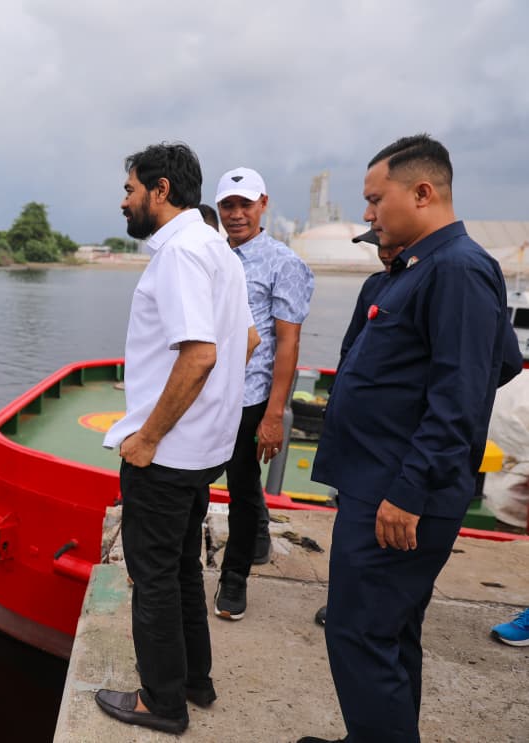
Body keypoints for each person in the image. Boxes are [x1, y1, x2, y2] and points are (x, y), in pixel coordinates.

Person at [298, 134, 523, 743]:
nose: (368, 214)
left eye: (376, 199)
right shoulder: (420, 269)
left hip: (398, 494)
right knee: (388, 634)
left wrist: (409, 488)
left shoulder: (457, 269)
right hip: (380, 482)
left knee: (360, 633)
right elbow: (495, 361)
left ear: (422, 192)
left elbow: (461, 397)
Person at [94, 142, 257, 734]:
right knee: (184, 568)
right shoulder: (218, 249)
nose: (124, 202)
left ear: (161, 190)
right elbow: (248, 342)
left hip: (167, 455)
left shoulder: (182, 254)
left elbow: (200, 355)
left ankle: (161, 703)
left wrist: (148, 436)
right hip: (203, 449)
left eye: (131, 190)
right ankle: (195, 681)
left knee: (154, 577)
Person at [213, 167, 314, 621]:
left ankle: (234, 579)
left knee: (240, 487)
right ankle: (256, 538)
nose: (236, 215)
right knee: (217, 481)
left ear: (263, 205)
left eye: (244, 205)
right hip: (207, 391)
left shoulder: (283, 262)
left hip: (250, 396)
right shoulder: (213, 254)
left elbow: (288, 343)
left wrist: (275, 414)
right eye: (228, 206)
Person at [314, 228, 404, 628]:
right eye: (378, 247)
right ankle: (345, 600)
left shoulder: (441, 282)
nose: (384, 253)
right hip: (357, 440)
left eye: (390, 245)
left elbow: (499, 362)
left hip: (393, 444)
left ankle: (369, 612)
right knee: (350, 528)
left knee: (384, 538)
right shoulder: (375, 286)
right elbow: (351, 348)